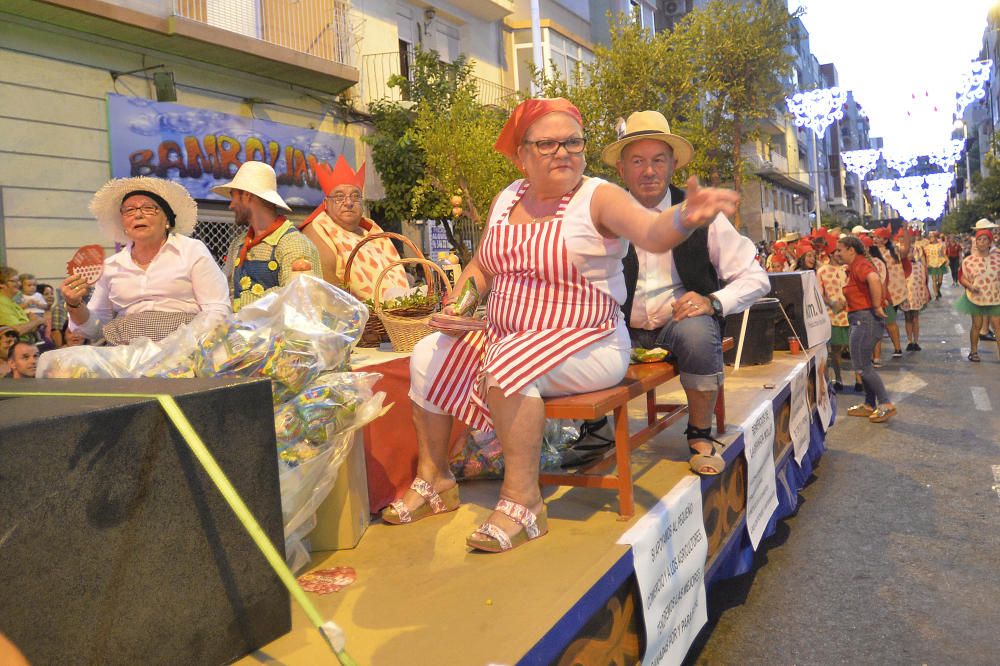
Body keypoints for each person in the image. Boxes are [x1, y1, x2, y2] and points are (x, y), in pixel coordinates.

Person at [382, 98, 740, 553]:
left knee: (507, 364)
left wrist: (684, 216)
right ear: (521, 154)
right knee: (429, 352)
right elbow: (482, 267)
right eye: (547, 143)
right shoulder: (506, 198)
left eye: (572, 142)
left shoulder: (598, 196)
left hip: (590, 342)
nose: (563, 152)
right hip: (509, 335)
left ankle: (524, 500)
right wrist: (461, 306)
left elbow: (651, 232)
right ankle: (436, 478)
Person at [601, 110, 769, 475]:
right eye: (638, 161)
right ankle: (591, 436)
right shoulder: (603, 213)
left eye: (658, 160)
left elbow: (756, 277)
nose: (649, 171)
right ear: (622, 170)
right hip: (619, 324)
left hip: (675, 323)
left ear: (673, 164)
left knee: (696, 334)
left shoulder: (700, 213)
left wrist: (713, 301)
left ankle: (699, 434)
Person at [61, 177, 231, 345]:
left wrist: (185, 344)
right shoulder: (111, 266)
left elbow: (216, 309)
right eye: (129, 210)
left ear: (167, 220)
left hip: (184, 348)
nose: (138, 215)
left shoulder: (191, 250)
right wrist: (74, 305)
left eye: (148, 208)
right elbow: (96, 329)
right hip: (125, 355)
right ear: (124, 224)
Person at [215, 162, 322, 312]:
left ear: (247, 196)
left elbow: (300, 304)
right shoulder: (238, 244)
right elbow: (225, 293)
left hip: (279, 335)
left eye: (233, 196)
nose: (231, 205)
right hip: (241, 333)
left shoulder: (293, 244)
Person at [300, 156, 409, 302]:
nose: (349, 202)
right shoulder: (319, 228)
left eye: (355, 196)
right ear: (326, 203)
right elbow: (326, 283)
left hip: (397, 317)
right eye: (339, 197)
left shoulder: (374, 231)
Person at [837, 236, 896, 423]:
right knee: (863, 365)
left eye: (840, 250)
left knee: (862, 365)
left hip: (865, 320)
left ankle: (886, 404)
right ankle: (870, 404)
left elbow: (873, 279)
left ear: (851, 250)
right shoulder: (855, 266)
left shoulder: (860, 265)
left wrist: (877, 305)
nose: (837, 253)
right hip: (860, 319)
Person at [956, 227, 1000, 361]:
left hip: (995, 297)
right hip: (976, 297)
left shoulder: (998, 259)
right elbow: (962, 277)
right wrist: (970, 286)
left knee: (998, 326)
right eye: (979, 239)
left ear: (989, 242)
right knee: (977, 325)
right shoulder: (969, 261)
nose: (982, 242)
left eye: (985, 239)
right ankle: (973, 351)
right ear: (976, 243)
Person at [816, 246, 848, 391]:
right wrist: (832, 303)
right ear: (831, 253)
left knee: (854, 348)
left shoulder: (848, 268)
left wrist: (847, 301)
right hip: (833, 315)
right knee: (835, 350)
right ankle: (839, 378)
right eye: (837, 251)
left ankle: (859, 381)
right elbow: (819, 293)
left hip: (850, 312)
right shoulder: (822, 270)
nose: (840, 254)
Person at [871, 226, 905, 358]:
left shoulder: (892, 252)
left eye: (878, 237)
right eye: (874, 237)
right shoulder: (870, 254)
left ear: (885, 240)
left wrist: (906, 231)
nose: (875, 239)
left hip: (889, 292)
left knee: (890, 322)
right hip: (873, 291)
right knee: (877, 324)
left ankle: (897, 348)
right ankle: (876, 355)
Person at [898, 226, 929, 351]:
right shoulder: (899, 259)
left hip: (916, 290)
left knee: (915, 317)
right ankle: (909, 341)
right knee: (907, 317)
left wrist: (925, 289)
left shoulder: (918, 258)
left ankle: (916, 341)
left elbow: (923, 274)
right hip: (905, 291)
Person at [0, 266, 45, 342]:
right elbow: (16, 331)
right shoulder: (2, 303)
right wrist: (37, 321)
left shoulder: (12, 303)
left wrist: (33, 321)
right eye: (14, 281)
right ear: (1, 284)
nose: (19, 284)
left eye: (19, 281)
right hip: (15, 350)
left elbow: (27, 328)